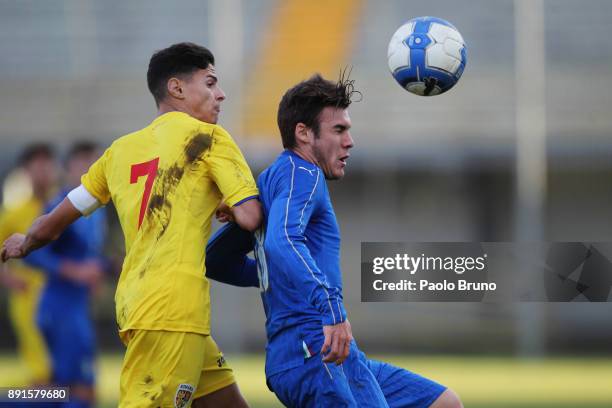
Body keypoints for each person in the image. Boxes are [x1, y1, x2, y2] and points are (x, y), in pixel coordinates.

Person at [2, 42, 261, 408]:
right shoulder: (209, 138)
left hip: (139, 304)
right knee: (72, 394)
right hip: (172, 311)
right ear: (177, 87)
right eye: (210, 82)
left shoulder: (119, 151)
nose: (221, 94)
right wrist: (236, 208)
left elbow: (55, 221)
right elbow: (251, 216)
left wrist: (23, 243)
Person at [206, 74, 463, 407]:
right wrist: (332, 310)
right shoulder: (304, 174)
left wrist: (278, 275)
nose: (350, 141)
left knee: (443, 402)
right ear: (303, 133)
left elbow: (217, 260)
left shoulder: (272, 180)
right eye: (338, 130)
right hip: (313, 349)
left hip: (320, 352)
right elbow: (282, 239)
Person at [24, 142, 108, 408]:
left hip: (76, 308)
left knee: (63, 390)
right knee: (81, 392)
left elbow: (87, 255)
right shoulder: (59, 205)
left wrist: (99, 269)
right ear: (67, 168)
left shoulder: (96, 209)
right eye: (82, 164)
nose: (87, 170)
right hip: (60, 309)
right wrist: (73, 271)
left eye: (93, 165)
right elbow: (33, 252)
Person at [0, 143, 56, 386]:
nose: (43, 171)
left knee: (68, 370)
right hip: (28, 298)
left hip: (61, 295)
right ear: (25, 171)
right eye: (37, 165)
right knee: (41, 371)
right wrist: (10, 280)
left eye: (47, 164)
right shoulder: (14, 213)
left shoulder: (61, 207)